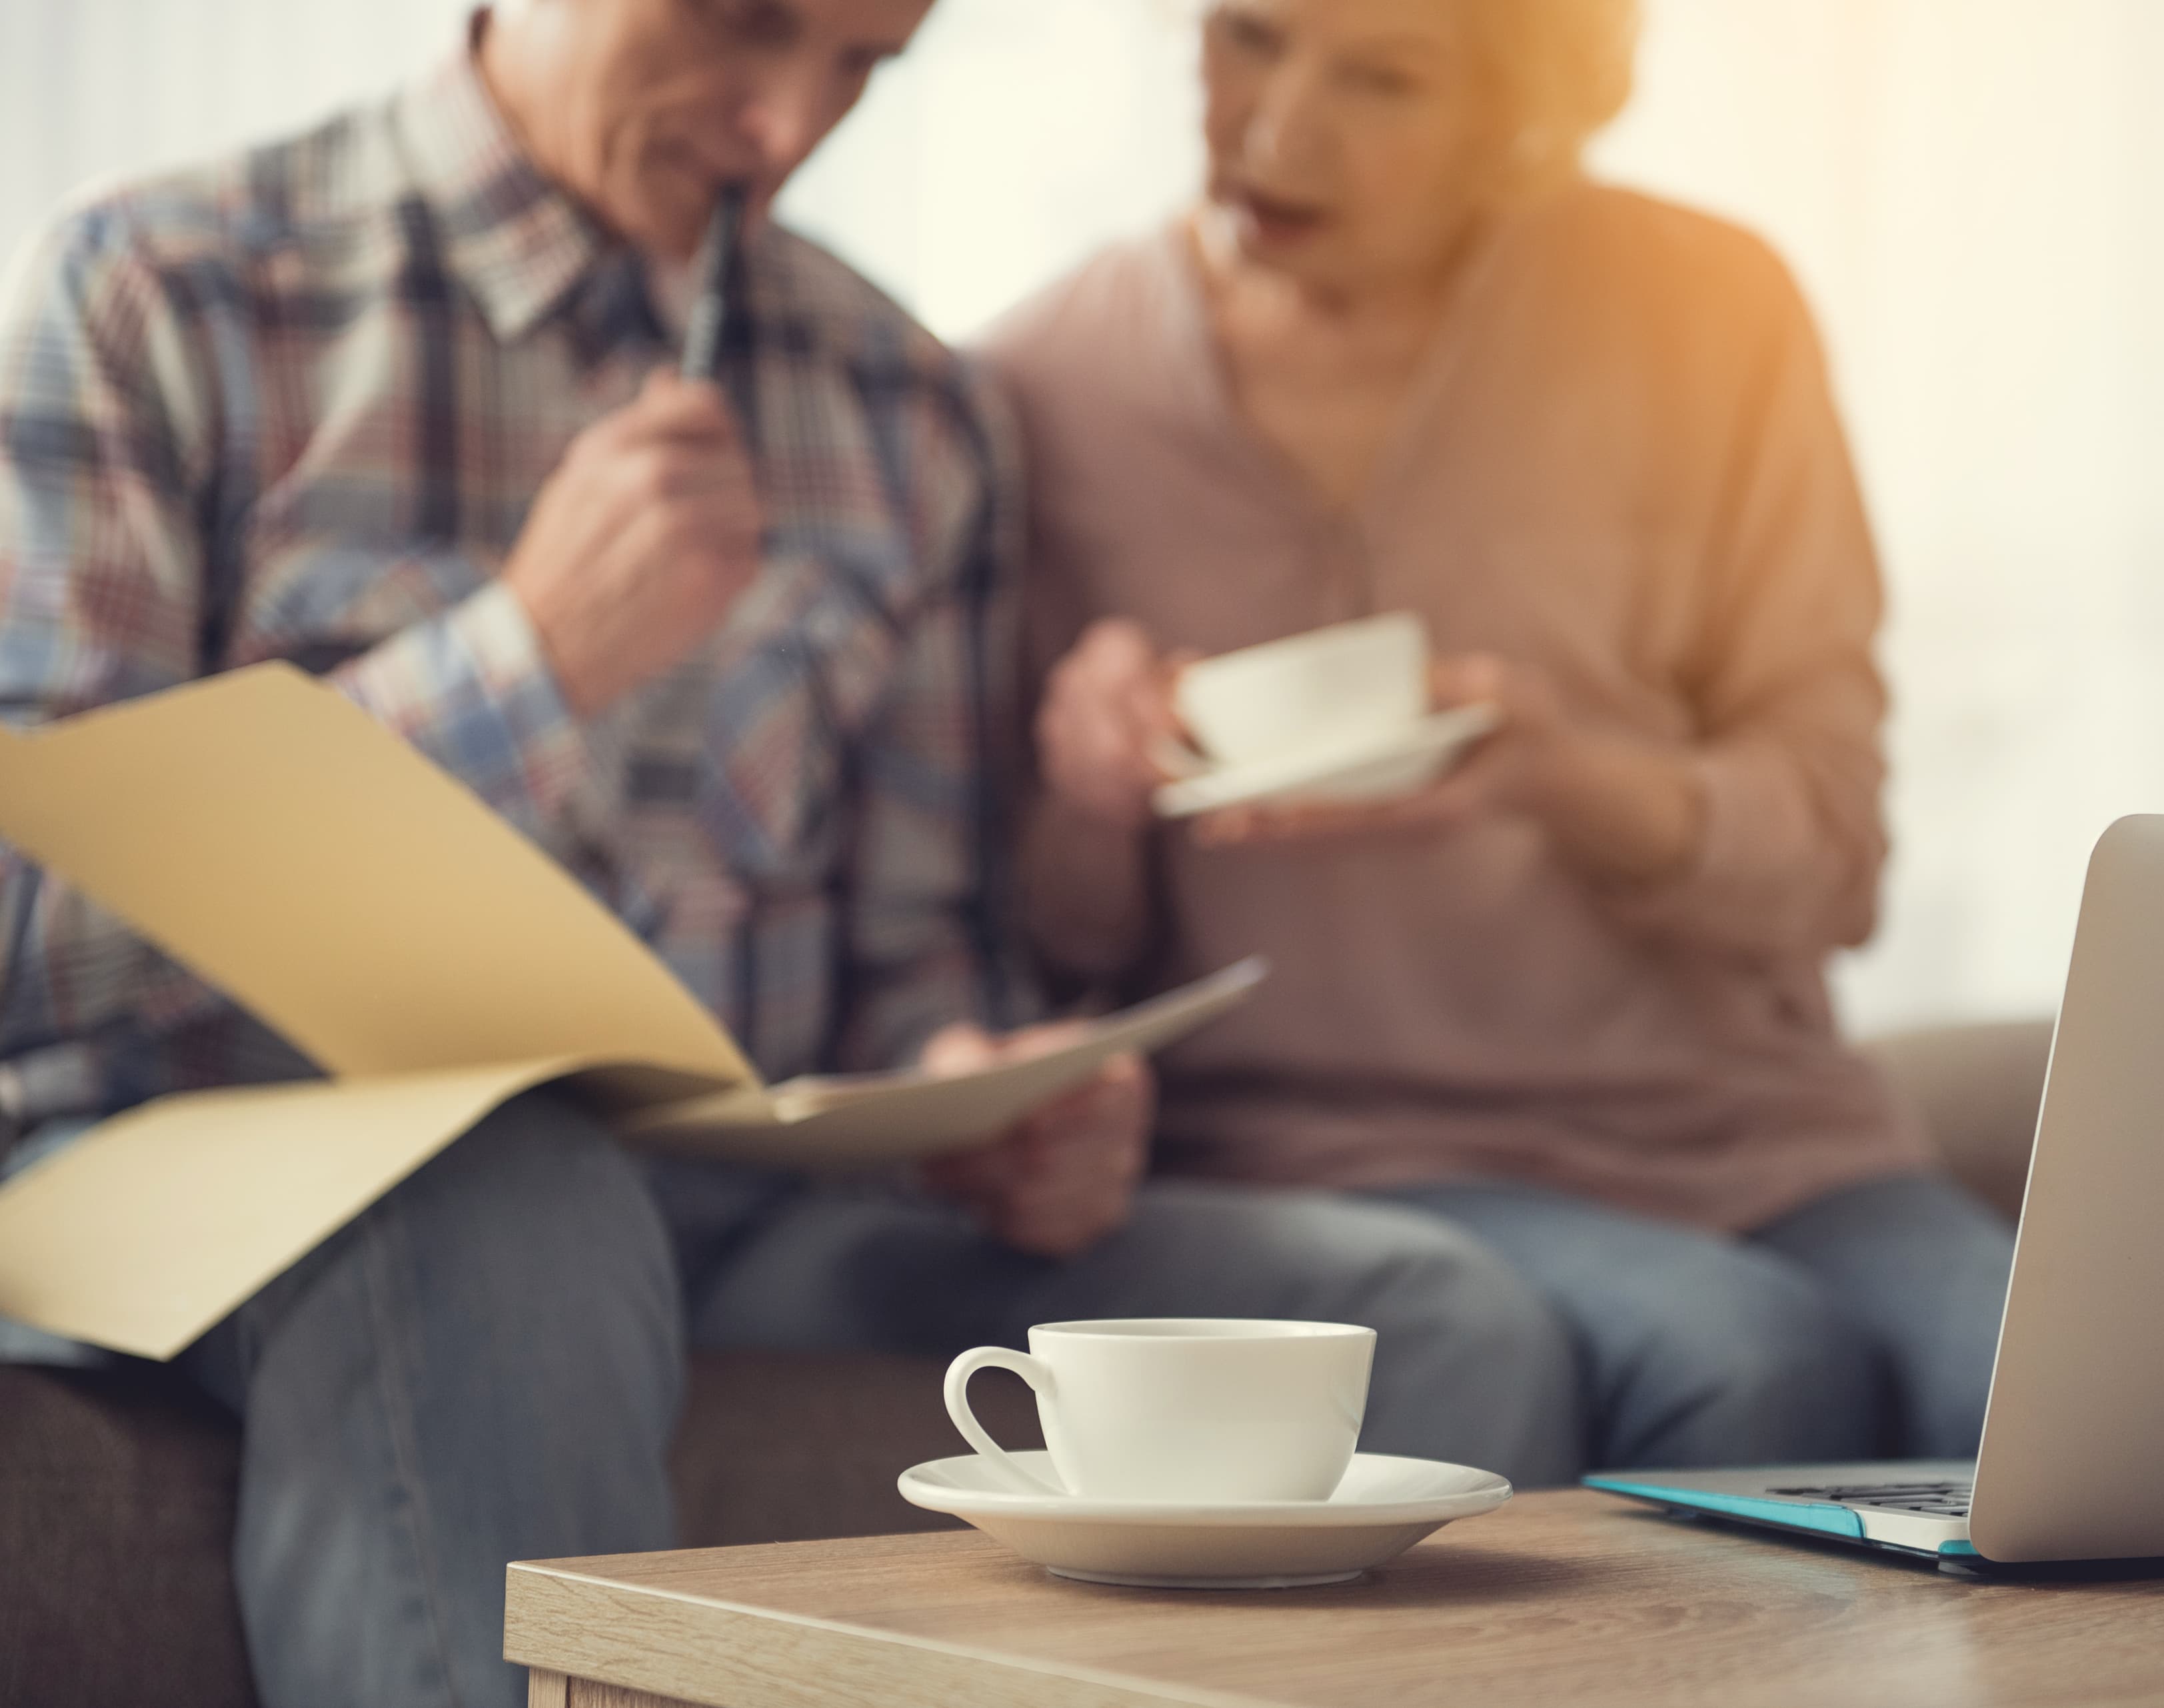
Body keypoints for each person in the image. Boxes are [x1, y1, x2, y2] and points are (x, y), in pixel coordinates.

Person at [0, 3, 1582, 1705]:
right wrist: (523, 665)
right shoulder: (160, 288)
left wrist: (989, 1087)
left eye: (859, 65)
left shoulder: (904, 405)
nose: (781, 126)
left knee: (1441, 1319)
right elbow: (27, 929)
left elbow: (921, 961)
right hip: (221, 1188)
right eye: (748, 21)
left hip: (757, 1198)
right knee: (518, 1203)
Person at [988, 0, 2016, 1477]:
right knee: (1753, 1364)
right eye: (1246, 35)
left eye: (1385, 80)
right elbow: (1042, 957)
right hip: (1330, 1159)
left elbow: (1836, 857)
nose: (1277, 128)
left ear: (1520, 115)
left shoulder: (1707, 314)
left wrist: (1569, 780)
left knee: (2065, 1422)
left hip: (1755, 1139)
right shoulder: (1041, 385)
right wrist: (1089, 796)